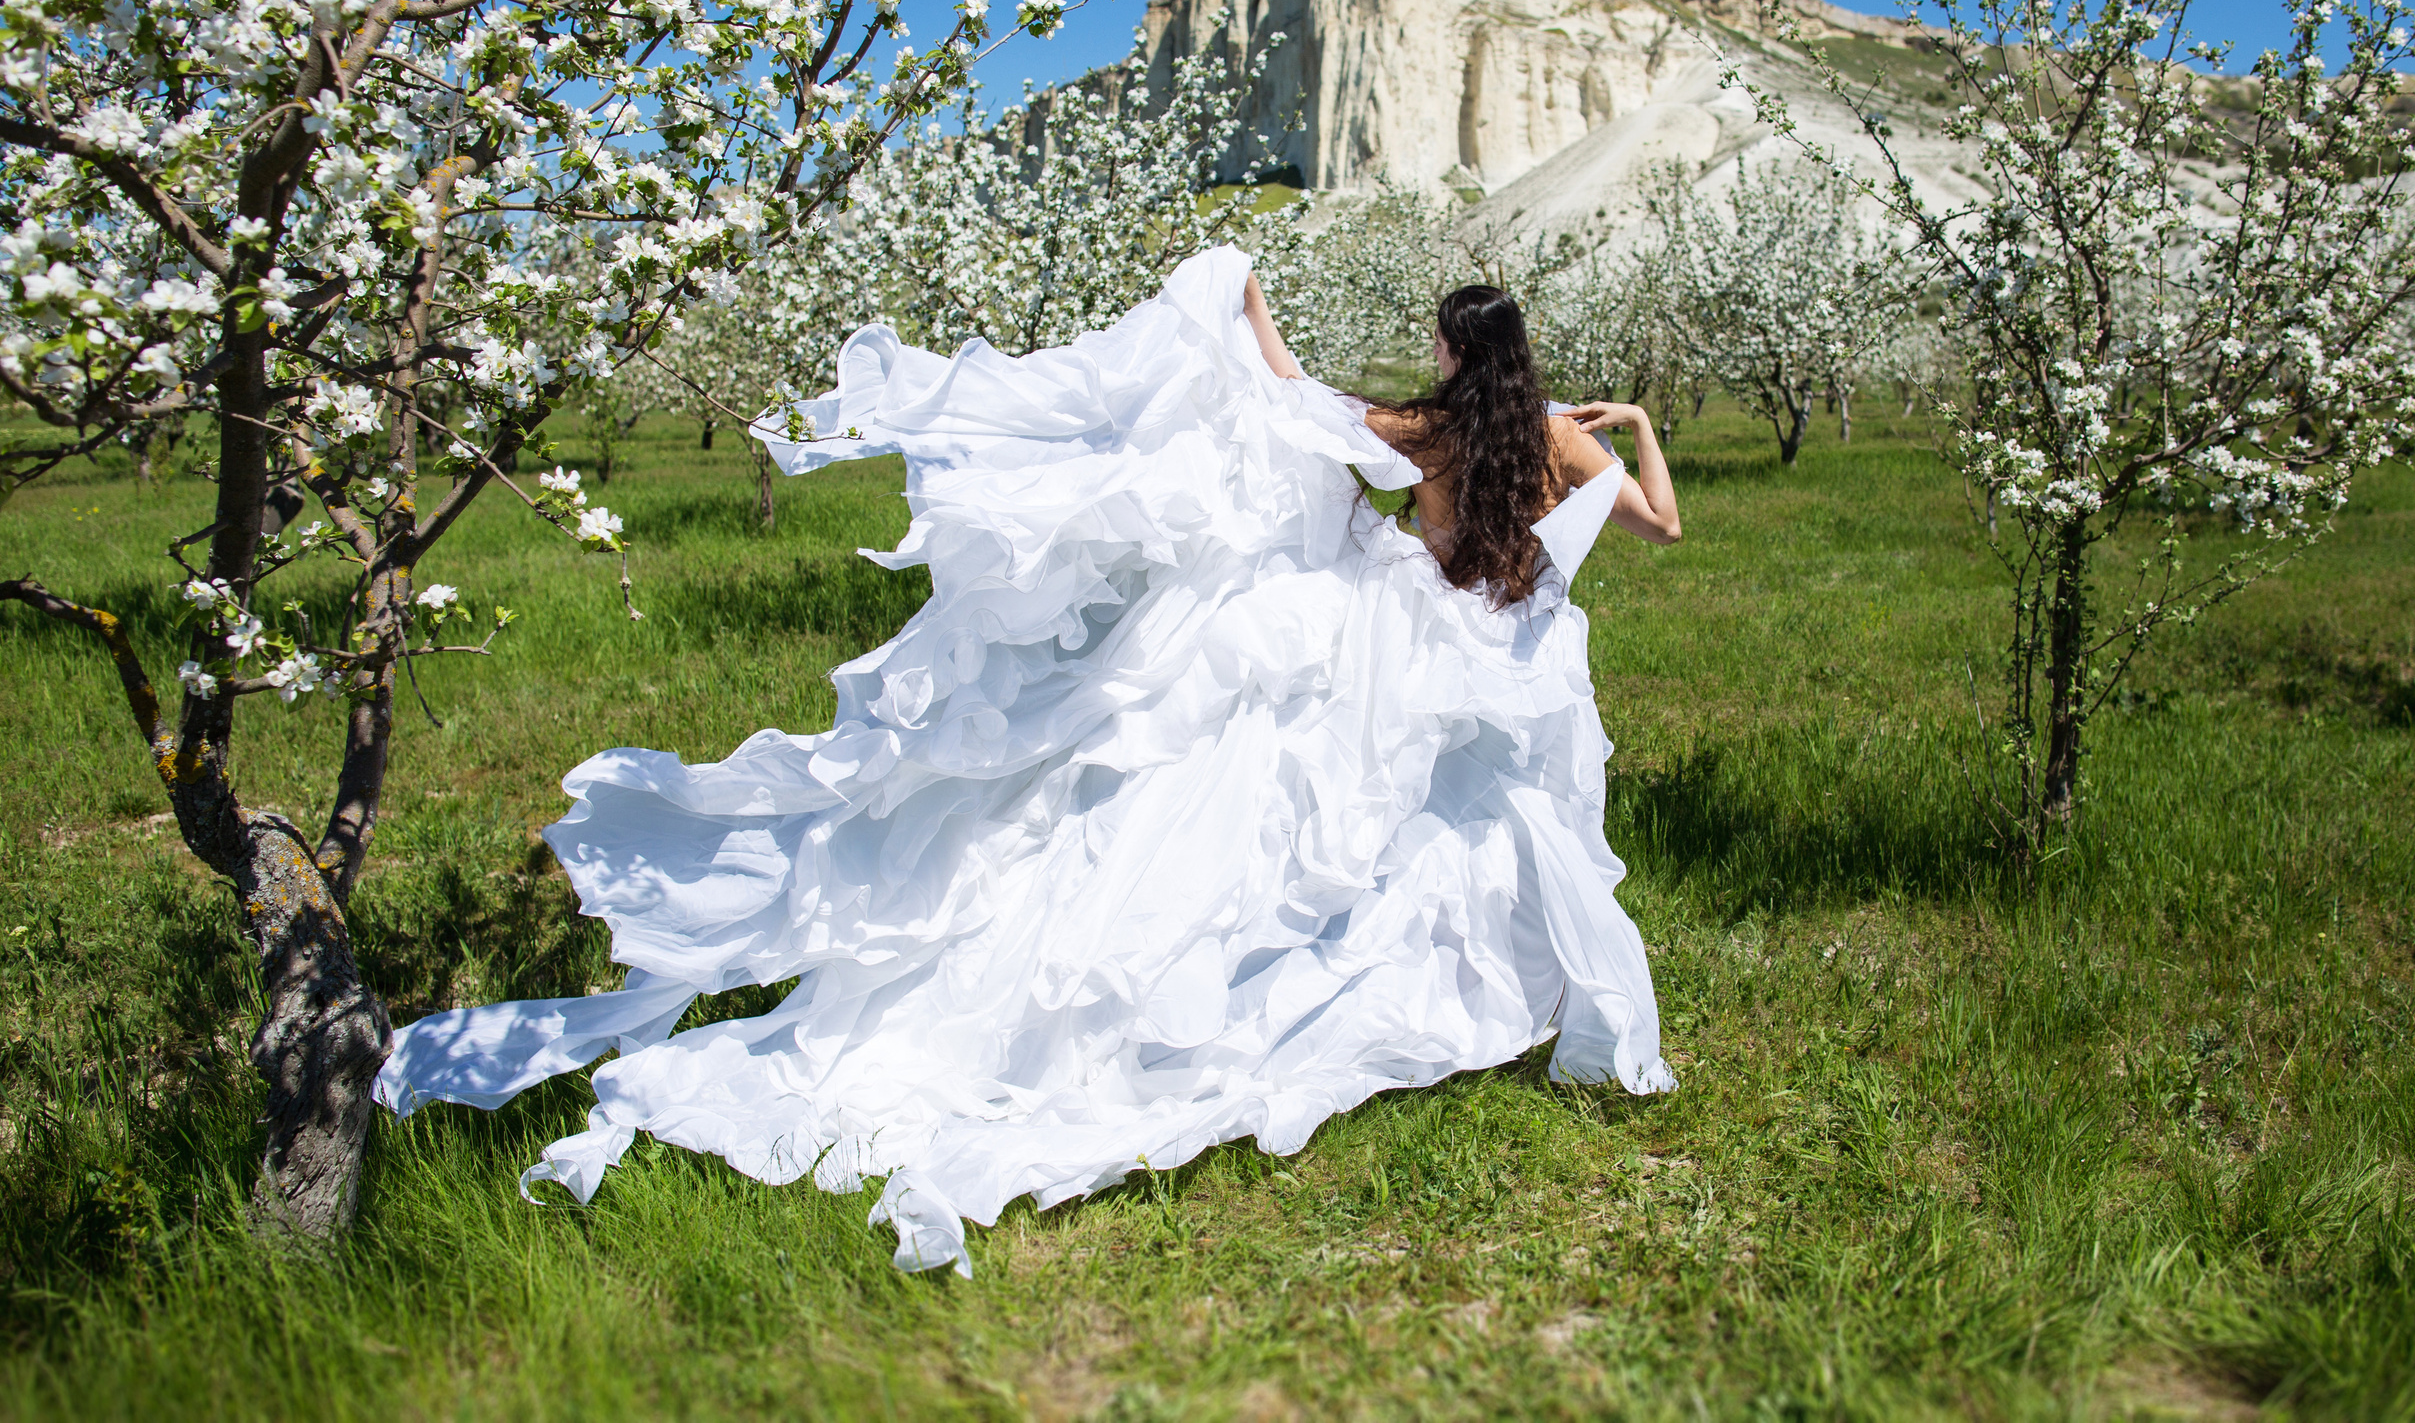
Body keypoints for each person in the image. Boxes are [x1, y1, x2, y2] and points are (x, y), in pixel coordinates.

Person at [375, 246, 1683, 1276]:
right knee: (1494, 829)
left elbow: (1298, 405)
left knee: (1336, 819)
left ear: (1456, 352)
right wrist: (1628, 423)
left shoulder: (1425, 430)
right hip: (1508, 657)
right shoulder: (1561, 443)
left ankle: (1368, 981)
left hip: (1405, 628)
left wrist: (1243, 298)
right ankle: (1535, 998)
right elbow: (1663, 526)